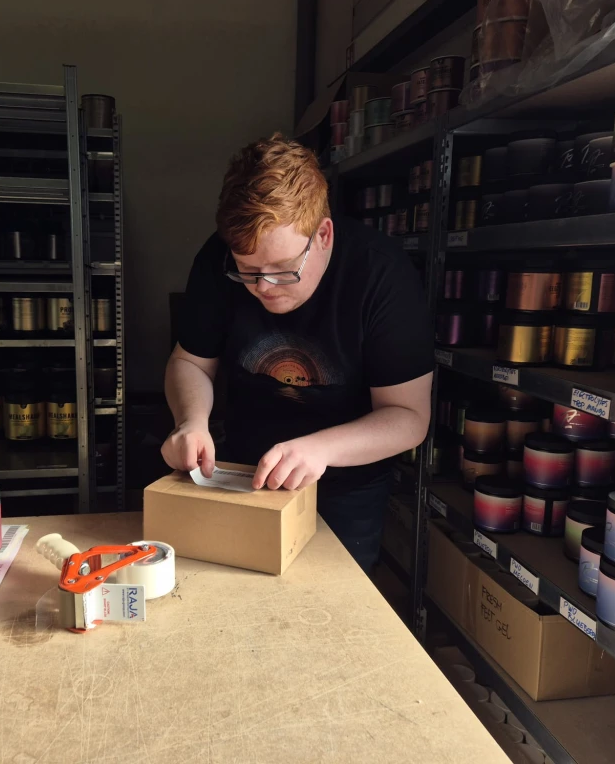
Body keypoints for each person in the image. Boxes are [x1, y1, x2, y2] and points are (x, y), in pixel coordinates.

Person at [161, 133, 433, 571]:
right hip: (240, 469)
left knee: (331, 602)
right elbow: (190, 361)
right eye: (248, 271)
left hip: (345, 480)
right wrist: (191, 421)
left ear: (322, 235)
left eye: (284, 269)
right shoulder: (217, 260)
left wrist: (321, 449)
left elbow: (409, 417)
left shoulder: (381, 276)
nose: (264, 287)